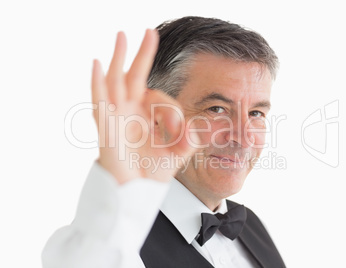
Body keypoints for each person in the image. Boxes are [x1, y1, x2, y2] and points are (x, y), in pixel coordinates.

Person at [42, 16, 286, 268]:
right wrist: (119, 184)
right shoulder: (116, 240)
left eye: (256, 113)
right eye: (217, 109)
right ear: (155, 114)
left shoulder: (253, 229)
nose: (243, 138)